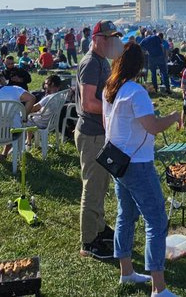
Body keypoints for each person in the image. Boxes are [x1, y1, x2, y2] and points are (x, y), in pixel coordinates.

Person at [102, 41, 180, 297]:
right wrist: (174, 116)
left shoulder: (111, 89)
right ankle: (159, 287)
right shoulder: (136, 92)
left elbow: (109, 124)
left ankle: (126, 271)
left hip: (117, 161)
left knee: (125, 215)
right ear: (139, 65)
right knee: (156, 220)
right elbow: (153, 126)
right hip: (137, 164)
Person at [76, 20, 124, 260]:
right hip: (92, 133)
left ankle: (99, 227)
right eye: (106, 38)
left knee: (102, 184)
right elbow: (88, 103)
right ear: (96, 39)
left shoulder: (102, 62)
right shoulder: (91, 63)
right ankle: (89, 240)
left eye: (112, 38)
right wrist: (114, 109)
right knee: (92, 187)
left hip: (101, 132)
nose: (110, 42)